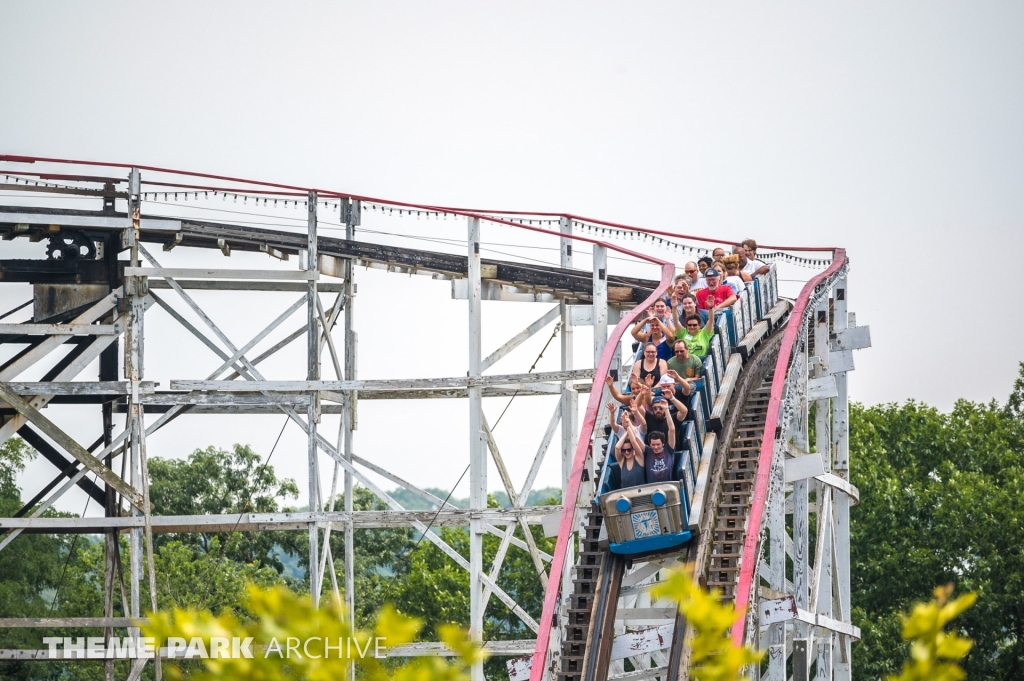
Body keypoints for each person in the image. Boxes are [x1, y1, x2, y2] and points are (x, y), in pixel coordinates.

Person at [613, 415, 647, 489]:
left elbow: (634, 442)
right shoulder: (622, 461)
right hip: (627, 495)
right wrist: (626, 433)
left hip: (641, 493)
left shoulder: (639, 458)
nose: (627, 452)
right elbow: (617, 447)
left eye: (629, 449)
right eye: (624, 450)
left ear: (633, 449)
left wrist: (628, 426)